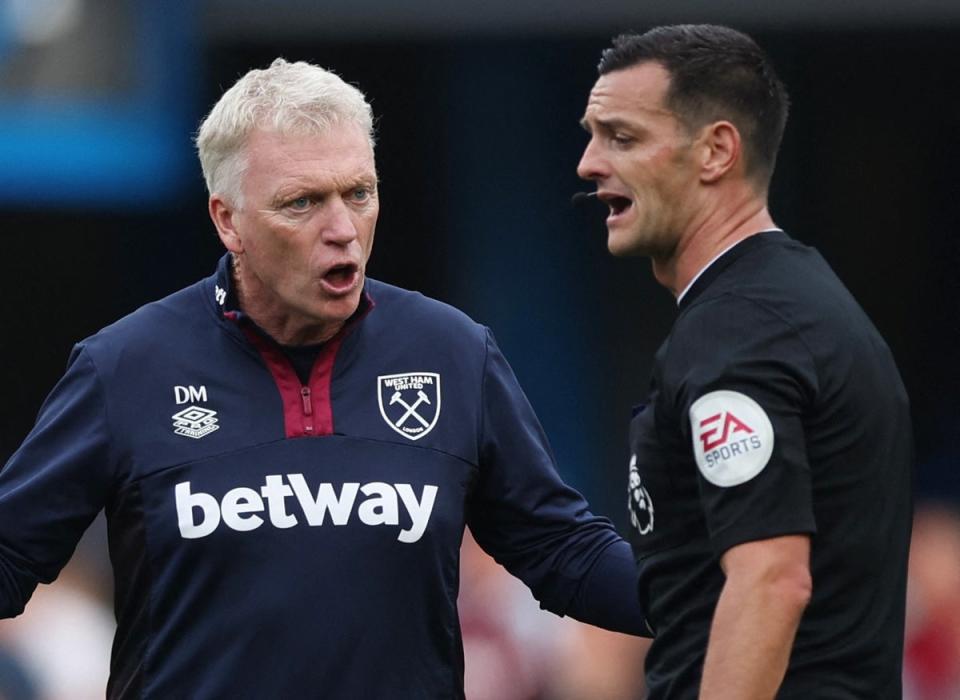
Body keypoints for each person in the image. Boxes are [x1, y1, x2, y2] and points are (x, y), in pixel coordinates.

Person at [0, 58, 650, 698]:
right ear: (228, 220)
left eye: (358, 194)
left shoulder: (452, 353)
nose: (341, 230)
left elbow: (563, 551)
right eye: (302, 202)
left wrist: (718, 597)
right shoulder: (125, 368)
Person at [576, 24, 913, 699]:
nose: (588, 162)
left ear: (716, 151)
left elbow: (771, 578)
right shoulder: (792, 303)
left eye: (622, 136)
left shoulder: (739, 333)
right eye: (591, 133)